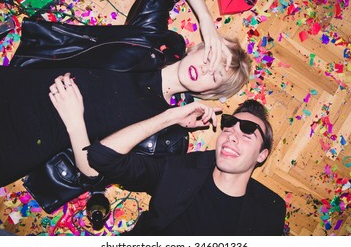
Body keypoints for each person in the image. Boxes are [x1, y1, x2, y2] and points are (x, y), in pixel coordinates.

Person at [0, 0, 252, 192]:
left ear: (210, 93)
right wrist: (207, 22)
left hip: (11, 147)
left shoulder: (169, 135)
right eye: (211, 56)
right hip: (4, 89)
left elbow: (94, 175)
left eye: (214, 76)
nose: (205, 68)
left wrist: (75, 123)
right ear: (197, 48)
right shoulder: (148, 39)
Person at [62, 90, 286, 235]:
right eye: (228, 127)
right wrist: (170, 117)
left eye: (247, 134)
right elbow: (102, 157)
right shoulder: (180, 170)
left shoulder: (270, 210)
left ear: (262, 155)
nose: (232, 135)